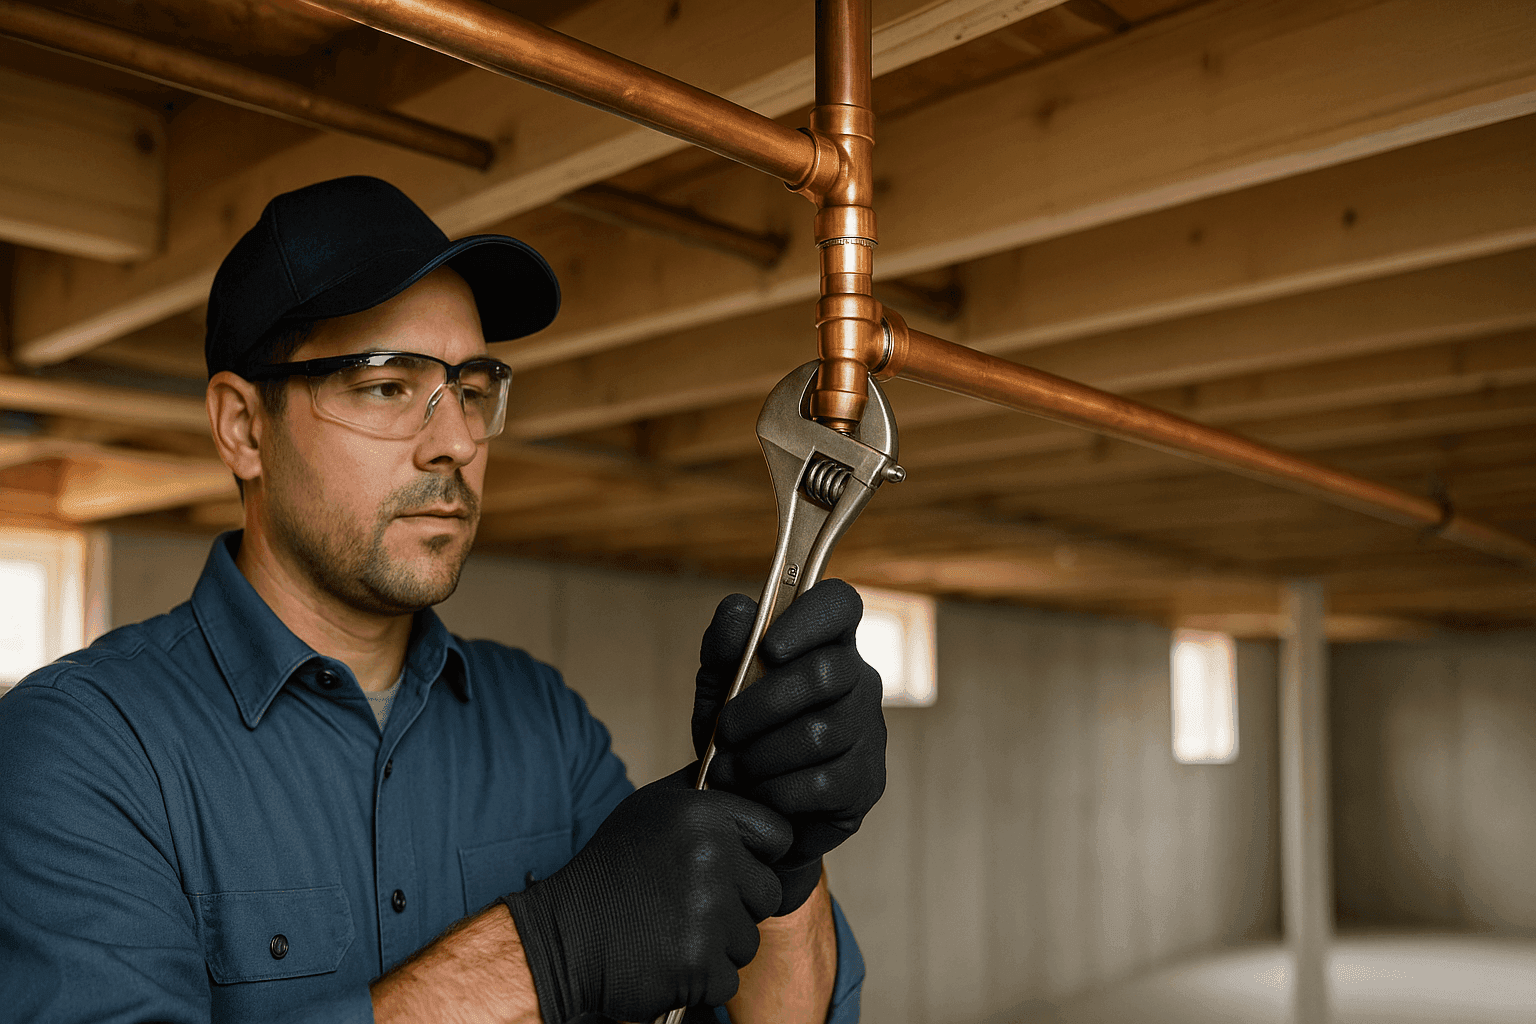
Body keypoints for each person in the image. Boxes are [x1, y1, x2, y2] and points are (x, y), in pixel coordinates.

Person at [0, 176, 887, 1023]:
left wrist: (781, 849)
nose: (457, 441)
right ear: (243, 428)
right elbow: (571, 948)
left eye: (471, 389)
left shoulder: (544, 722)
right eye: (387, 386)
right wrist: (542, 954)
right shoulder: (81, 750)